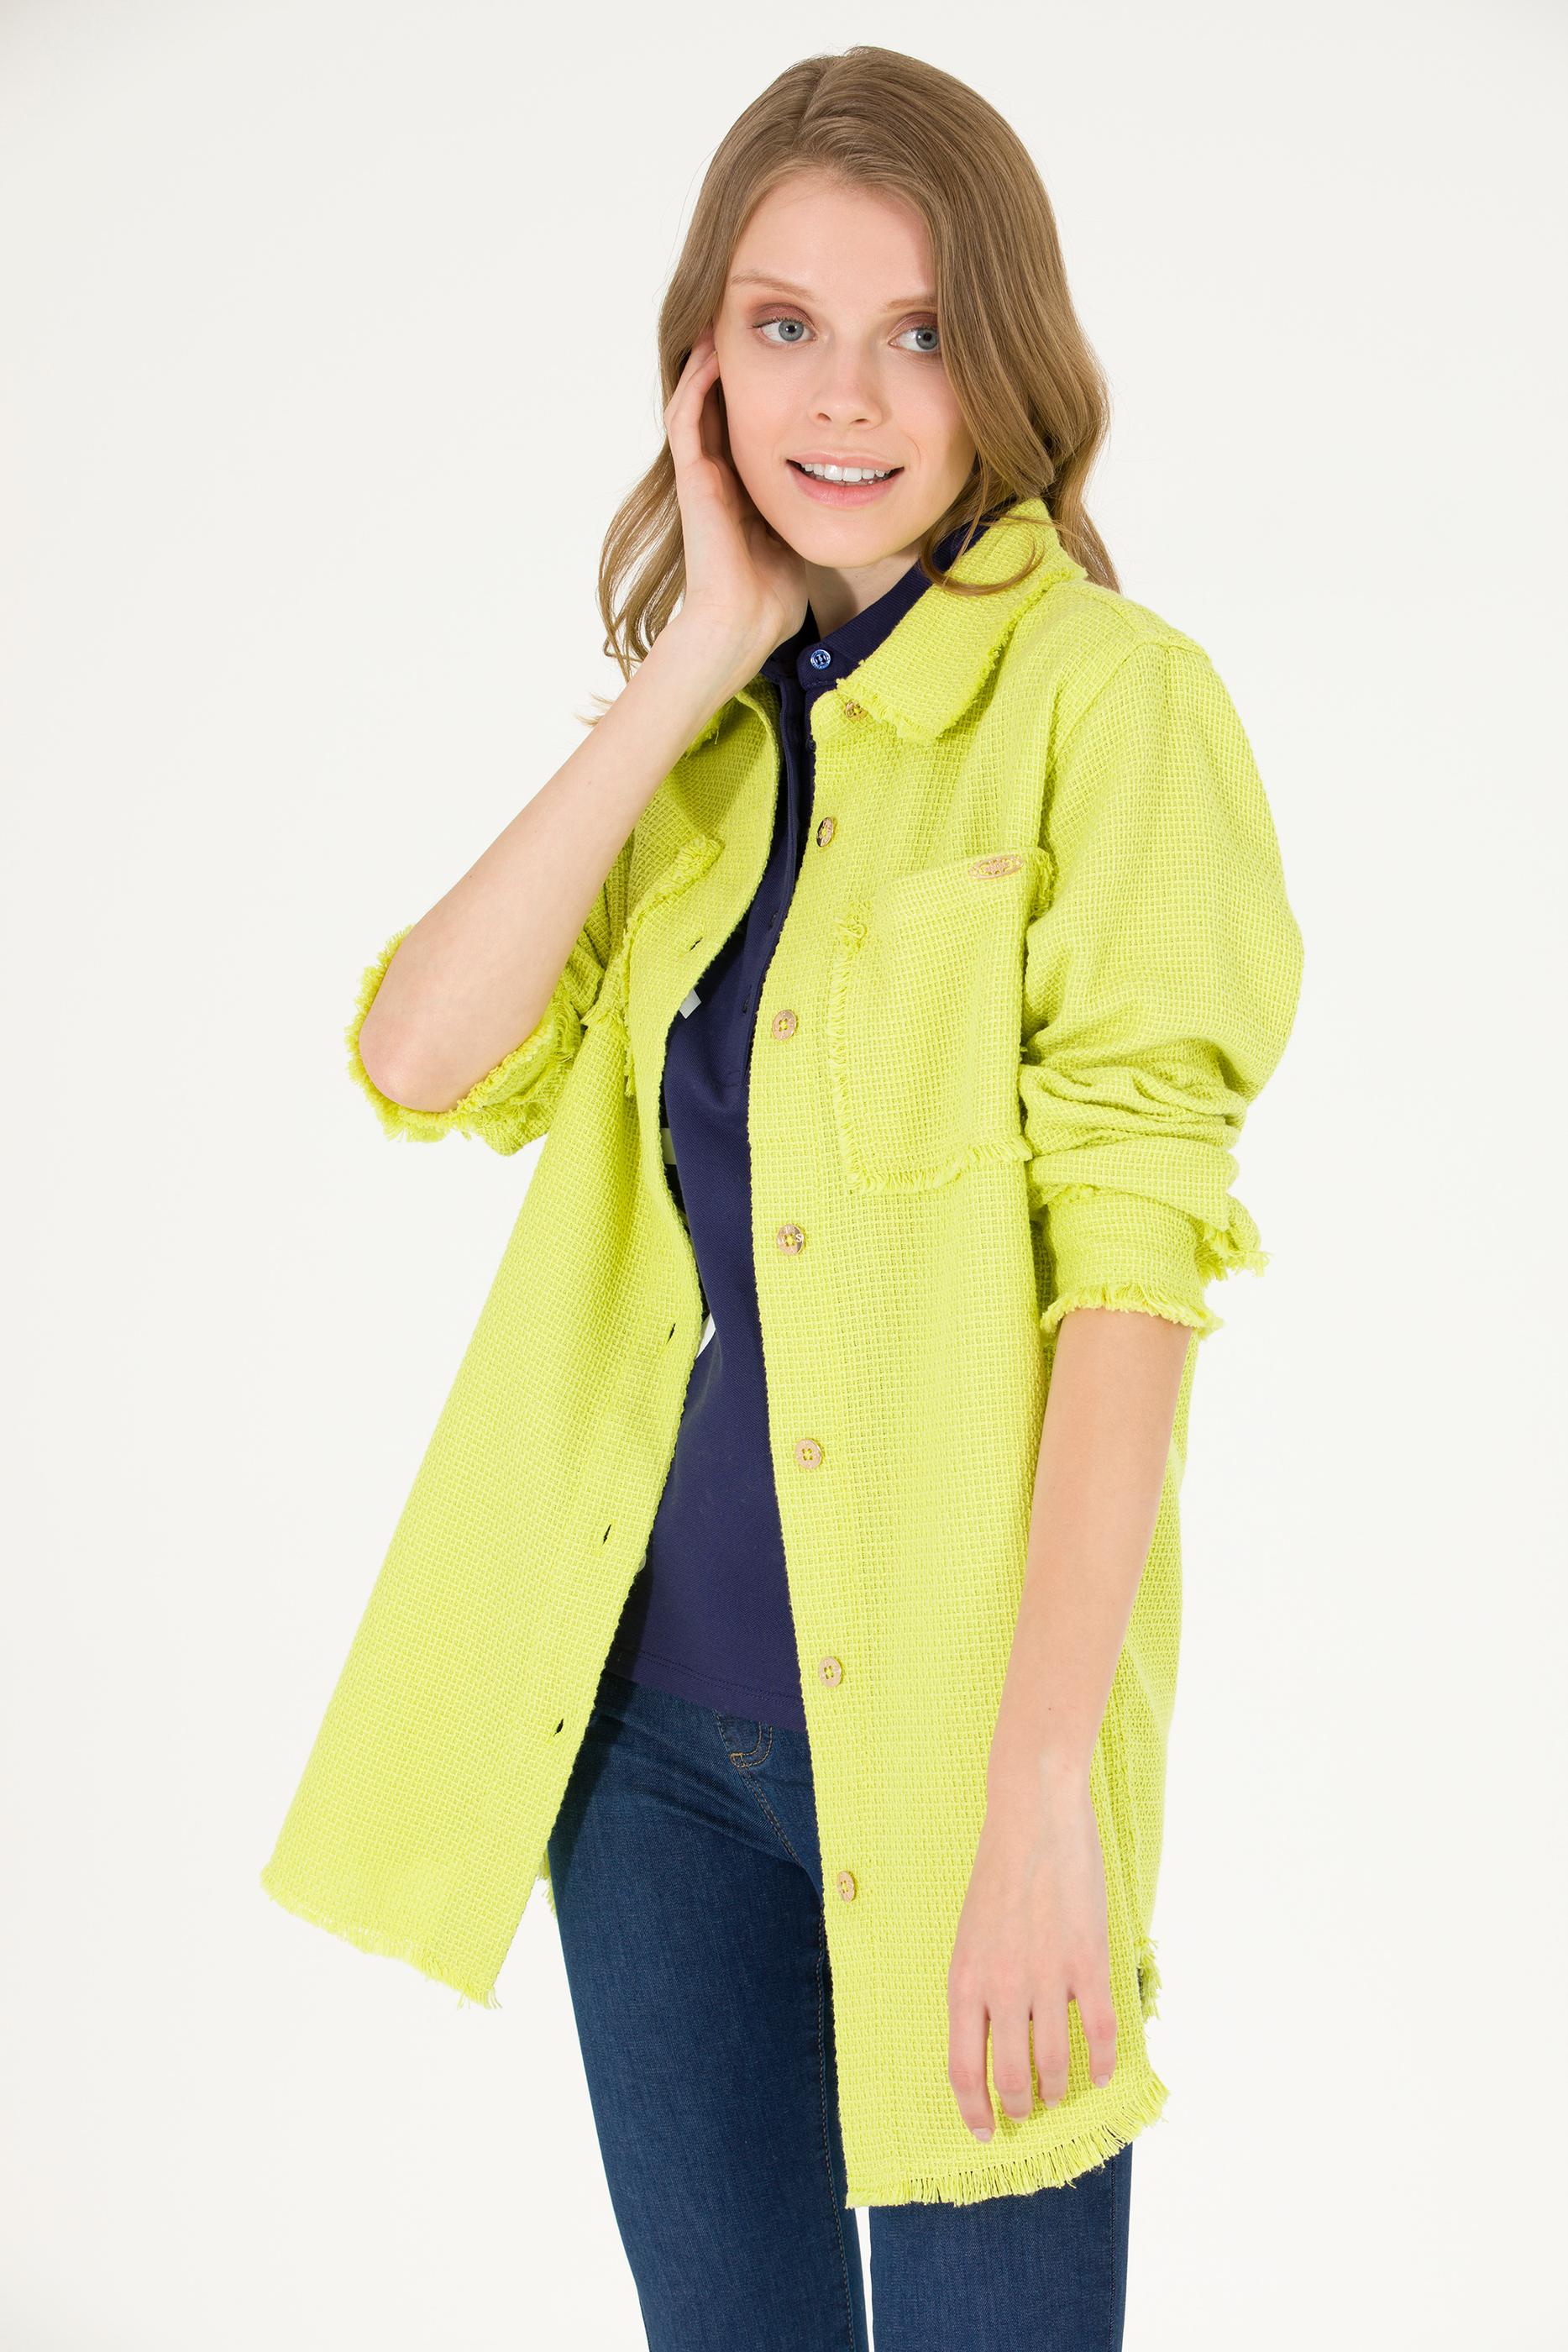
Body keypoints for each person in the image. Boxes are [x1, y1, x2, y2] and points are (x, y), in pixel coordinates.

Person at [260, 45, 1304, 2352]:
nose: (845, 395)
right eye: (781, 326)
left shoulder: (1113, 706)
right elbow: (422, 1055)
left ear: (1005, 356)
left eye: (915, 330)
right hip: (642, 1752)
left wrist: (1044, 1802)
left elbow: (1130, 1278)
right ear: (700, 368)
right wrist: (695, 657)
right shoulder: (713, 741)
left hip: (958, 1750)